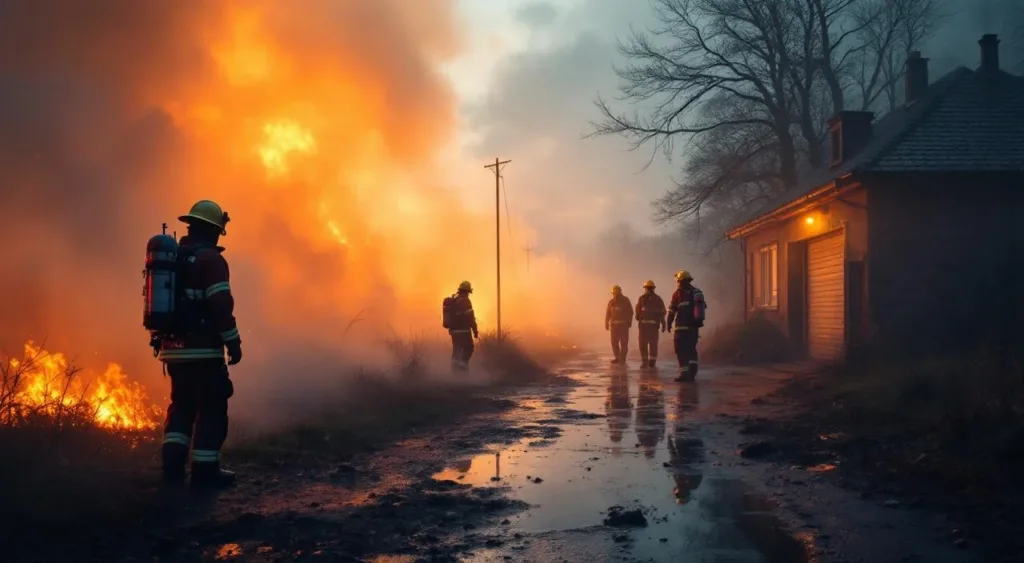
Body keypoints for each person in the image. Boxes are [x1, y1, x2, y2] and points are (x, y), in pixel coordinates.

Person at [158, 200, 243, 489]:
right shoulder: (211, 260)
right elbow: (220, 306)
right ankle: (205, 474)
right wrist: (234, 343)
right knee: (212, 408)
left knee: (181, 407)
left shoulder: (174, 258)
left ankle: (172, 468)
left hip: (172, 350)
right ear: (213, 230)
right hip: (204, 352)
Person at [667, 270, 706, 382]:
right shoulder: (696, 292)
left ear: (681, 281)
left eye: (678, 281)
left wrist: (669, 322)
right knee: (691, 349)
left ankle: (685, 374)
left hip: (681, 329)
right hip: (693, 328)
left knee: (680, 350)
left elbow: (672, 310)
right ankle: (692, 371)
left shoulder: (677, 294)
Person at [634, 280, 667, 368]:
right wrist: (638, 317)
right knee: (643, 344)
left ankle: (651, 362)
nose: (648, 290)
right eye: (647, 288)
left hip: (652, 327)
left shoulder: (657, 299)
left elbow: (662, 312)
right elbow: (638, 310)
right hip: (644, 326)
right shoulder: (642, 299)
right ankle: (645, 361)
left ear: (652, 289)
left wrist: (663, 324)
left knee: (652, 344)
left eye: (649, 288)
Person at [448, 280, 479, 371]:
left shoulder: (454, 300)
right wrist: (475, 331)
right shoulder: (466, 301)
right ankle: (463, 367)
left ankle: (454, 370)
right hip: (464, 331)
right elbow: (471, 318)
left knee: (456, 350)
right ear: (467, 291)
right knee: (469, 348)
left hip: (453, 331)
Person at [605, 285, 633, 364]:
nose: (615, 294)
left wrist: (629, 322)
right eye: (614, 292)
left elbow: (630, 312)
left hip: (623, 325)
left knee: (624, 343)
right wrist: (606, 323)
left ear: (620, 291)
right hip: (614, 326)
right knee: (614, 342)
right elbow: (608, 313)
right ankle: (617, 357)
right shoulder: (611, 302)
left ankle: (622, 358)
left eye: (617, 292)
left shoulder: (625, 300)